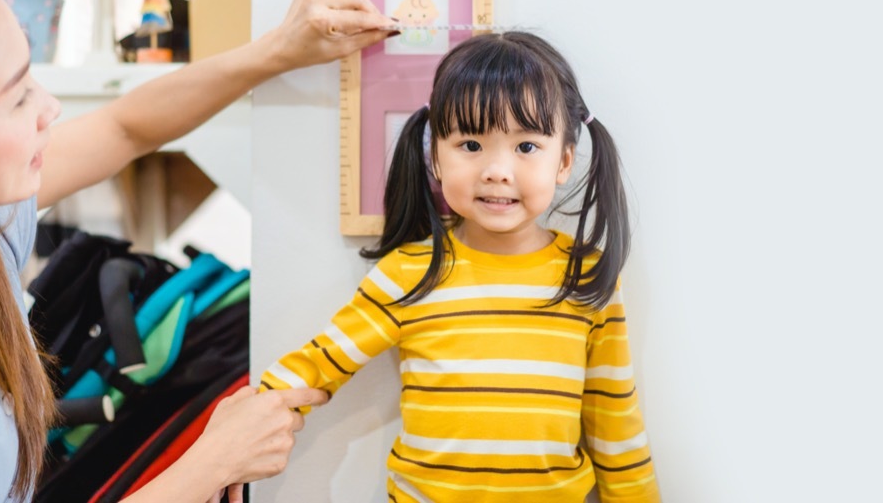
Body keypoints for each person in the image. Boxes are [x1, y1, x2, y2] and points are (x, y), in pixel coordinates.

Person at [0, 0, 395, 503]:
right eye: (17, 97)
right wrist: (212, 461)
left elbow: (126, 128)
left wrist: (278, 51)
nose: (50, 108)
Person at [259, 32, 661, 501]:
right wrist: (244, 423)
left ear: (564, 160)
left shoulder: (587, 278)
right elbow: (318, 364)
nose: (496, 169)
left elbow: (616, 425)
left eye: (526, 147)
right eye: (471, 145)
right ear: (436, 157)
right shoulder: (408, 274)